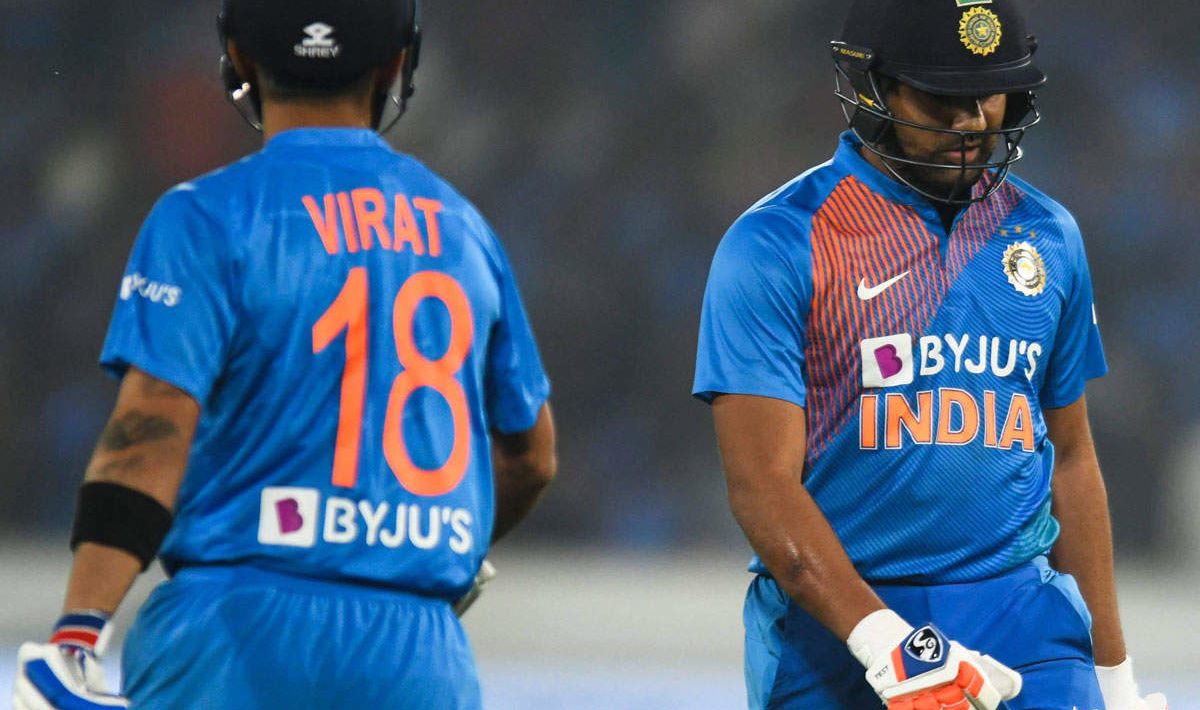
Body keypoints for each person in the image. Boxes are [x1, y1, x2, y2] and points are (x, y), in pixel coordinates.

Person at [13, 0, 556, 708]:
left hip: (232, 634)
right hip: (418, 653)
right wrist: (426, 555)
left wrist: (78, 633)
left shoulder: (204, 216)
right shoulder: (465, 230)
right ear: (398, 62)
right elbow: (532, 457)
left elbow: (151, 429)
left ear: (239, 56)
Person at [692, 0, 1167, 708]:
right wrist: (887, 644)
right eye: (942, 96)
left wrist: (1115, 678)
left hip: (1024, 618)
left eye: (989, 94)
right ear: (872, 88)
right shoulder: (776, 245)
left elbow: (1070, 458)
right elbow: (762, 485)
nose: (972, 120)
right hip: (839, 623)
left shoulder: (1049, 235)